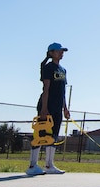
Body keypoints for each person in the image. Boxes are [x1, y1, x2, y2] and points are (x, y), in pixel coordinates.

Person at [28, 42, 71, 175]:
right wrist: (44, 109)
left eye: (62, 51)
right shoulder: (48, 67)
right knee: (41, 134)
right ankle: (32, 166)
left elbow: (63, 91)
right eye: (59, 51)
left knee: (53, 135)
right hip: (47, 105)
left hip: (58, 107)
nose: (61, 53)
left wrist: (65, 108)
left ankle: (49, 165)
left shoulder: (63, 70)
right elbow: (46, 88)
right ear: (51, 53)